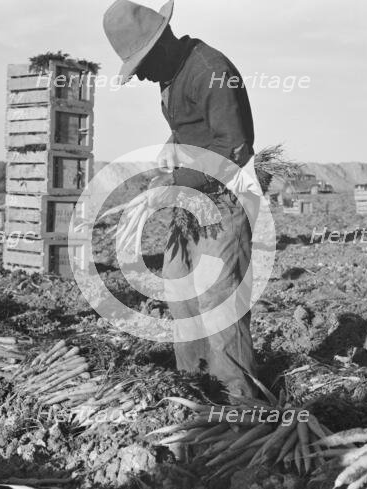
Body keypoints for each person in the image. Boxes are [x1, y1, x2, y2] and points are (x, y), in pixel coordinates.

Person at [103, 0, 257, 398]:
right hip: (189, 202)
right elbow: (192, 131)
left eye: (140, 66)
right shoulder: (169, 74)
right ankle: (195, 390)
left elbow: (234, 150)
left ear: (160, 44)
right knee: (178, 288)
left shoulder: (211, 71)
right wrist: (171, 152)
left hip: (222, 203)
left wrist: (173, 183)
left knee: (217, 300)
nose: (139, 77)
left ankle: (237, 403)